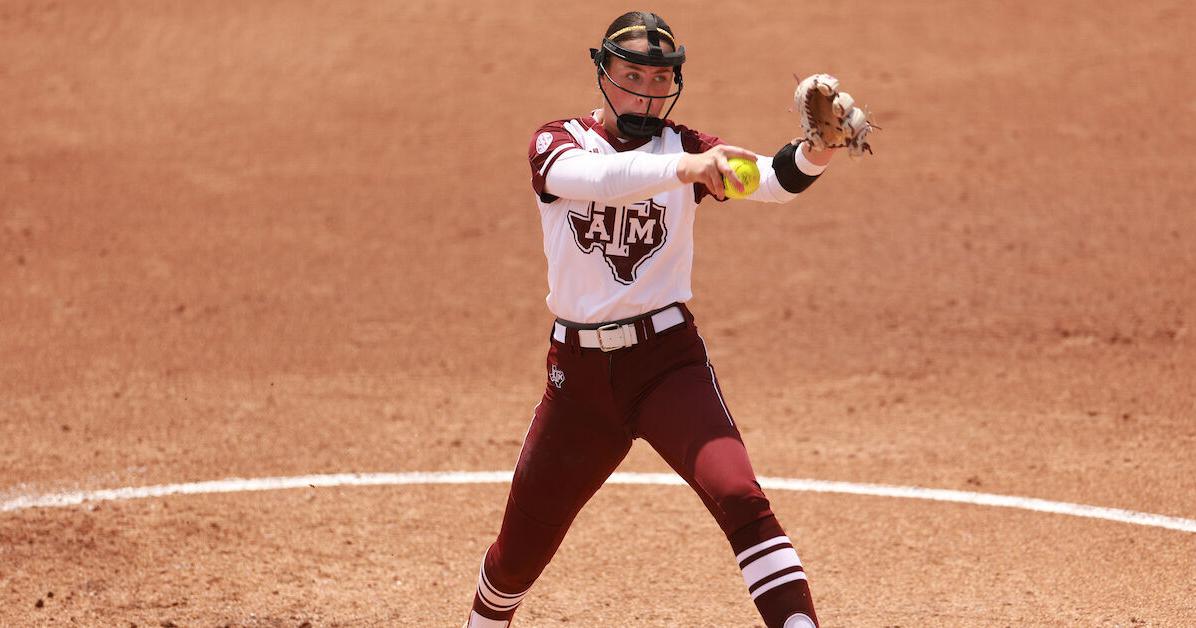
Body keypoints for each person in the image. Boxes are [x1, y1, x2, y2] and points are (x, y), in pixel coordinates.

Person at [464, 11, 838, 628]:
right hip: (578, 383)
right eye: (631, 75)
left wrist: (817, 151)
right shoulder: (558, 144)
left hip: (666, 366)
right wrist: (686, 170)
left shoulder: (686, 148)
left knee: (739, 495)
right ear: (603, 74)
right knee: (518, 555)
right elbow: (600, 179)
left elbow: (770, 179)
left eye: (660, 79)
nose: (645, 91)